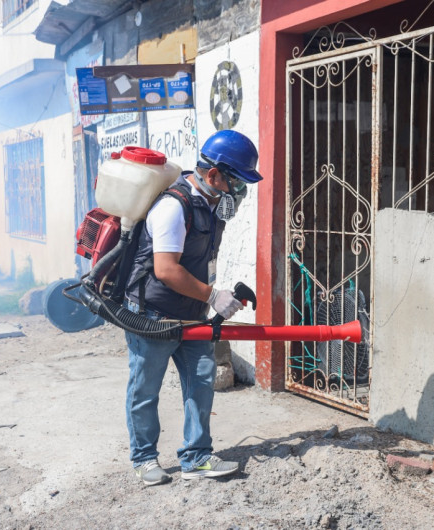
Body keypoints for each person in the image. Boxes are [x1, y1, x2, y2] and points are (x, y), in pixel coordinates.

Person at [123, 130, 263, 486]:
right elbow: (166, 269)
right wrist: (213, 295)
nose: (240, 191)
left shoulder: (211, 204)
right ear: (213, 175)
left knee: (200, 385)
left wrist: (209, 297)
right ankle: (144, 459)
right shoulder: (174, 207)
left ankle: (196, 457)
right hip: (152, 315)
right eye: (237, 181)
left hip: (191, 315)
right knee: (145, 390)